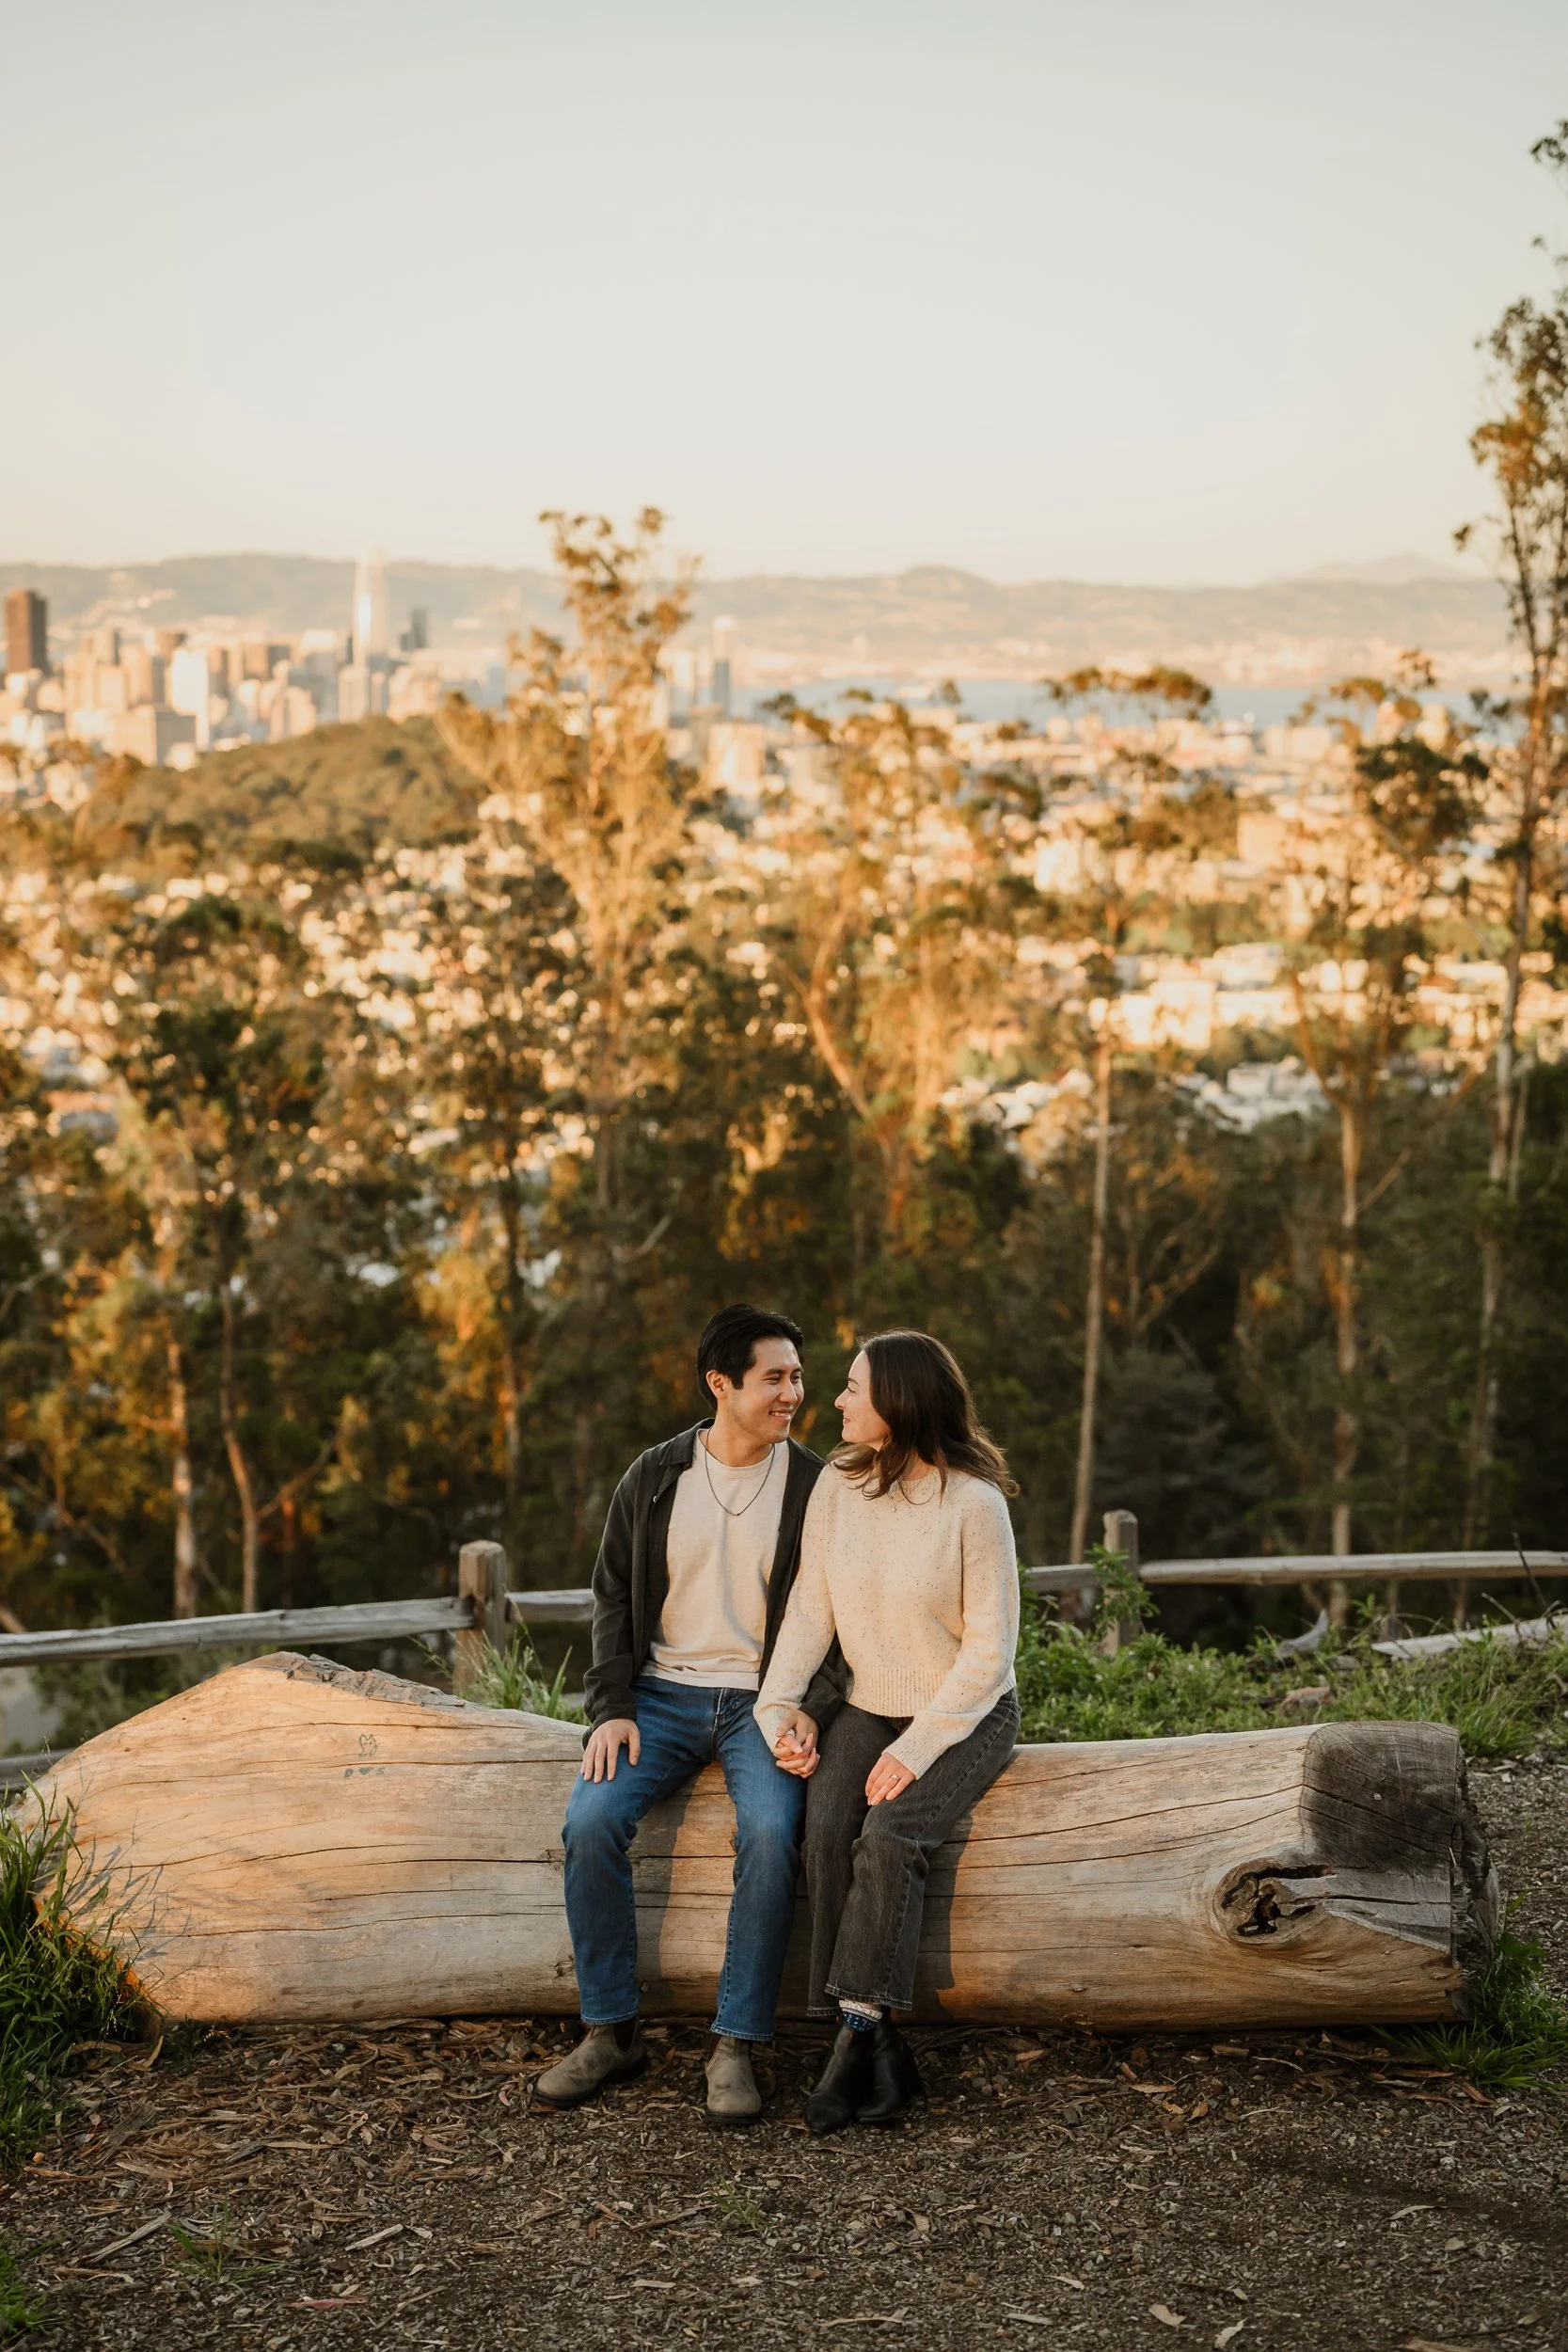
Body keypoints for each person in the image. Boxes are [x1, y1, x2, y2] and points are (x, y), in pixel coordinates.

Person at [535, 1303, 840, 2125]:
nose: (793, 1394)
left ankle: (736, 2044)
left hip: (763, 1701)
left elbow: (842, 1615)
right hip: (661, 1697)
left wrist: (808, 1707)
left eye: (797, 1378)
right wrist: (611, 1708)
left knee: (775, 1834)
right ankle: (609, 2030)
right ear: (721, 1384)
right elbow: (612, 1597)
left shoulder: (817, 1486)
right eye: (775, 1378)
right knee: (591, 1821)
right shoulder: (655, 1474)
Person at [754, 1328, 1021, 2135]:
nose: (834, 1400)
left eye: (851, 1388)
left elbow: (989, 1652)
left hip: (966, 1712)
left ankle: (850, 2039)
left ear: (897, 1403)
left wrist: (914, 1749)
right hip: (870, 1702)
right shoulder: (839, 1484)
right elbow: (810, 1608)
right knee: (828, 1824)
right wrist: (777, 1708)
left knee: (891, 1834)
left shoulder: (974, 1504)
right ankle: (876, 2040)